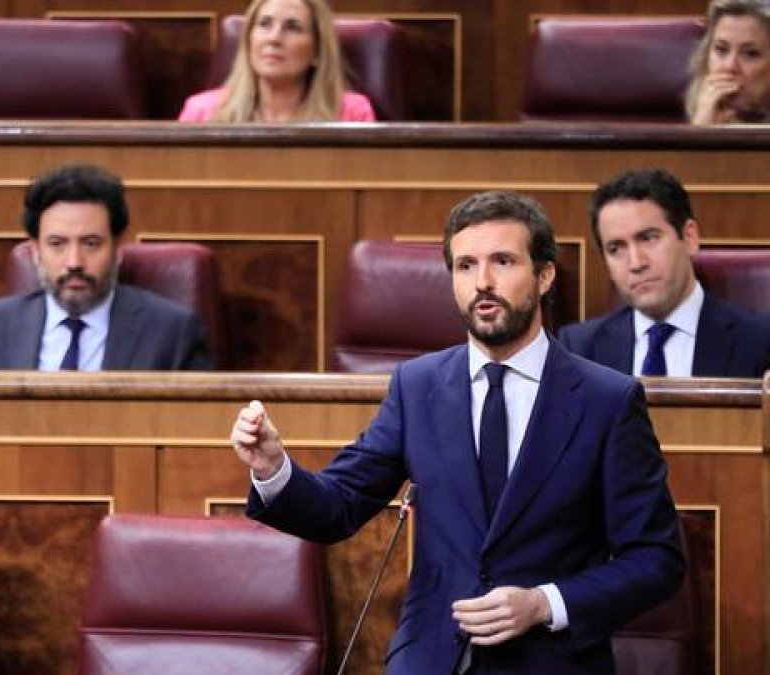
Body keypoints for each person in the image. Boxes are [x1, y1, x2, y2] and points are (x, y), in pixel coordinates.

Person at [230, 191, 684, 675]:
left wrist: (543, 603)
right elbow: (338, 506)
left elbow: (655, 559)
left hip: (551, 661)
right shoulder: (417, 385)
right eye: (465, 266)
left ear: (544, 275)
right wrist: (273, 469)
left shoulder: (607, 400)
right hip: (433, 659)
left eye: (503, 262)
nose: (482, 283)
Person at [0, 163, 213, 371]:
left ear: (119, 248)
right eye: (57, 244)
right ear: (35, 251)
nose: (74, 262)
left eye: (91, 244)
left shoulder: (172, 332)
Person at [558, 169, 770, 377]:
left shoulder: (759, 342)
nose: (636, 263)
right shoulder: (579, 350)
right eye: (616, 249)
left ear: (689, 237)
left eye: (649, 238)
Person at [178, 0, 375, 122]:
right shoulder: (201, 112)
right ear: (248, 40)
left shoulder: (351, 113)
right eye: (264, 24)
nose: (273, 38)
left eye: (292, 27)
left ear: (317, 51)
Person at [686, 0, 770, 124]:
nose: (729, 66)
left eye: (750, 53)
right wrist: (702, 129)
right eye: (721, 49)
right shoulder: (704, 113)